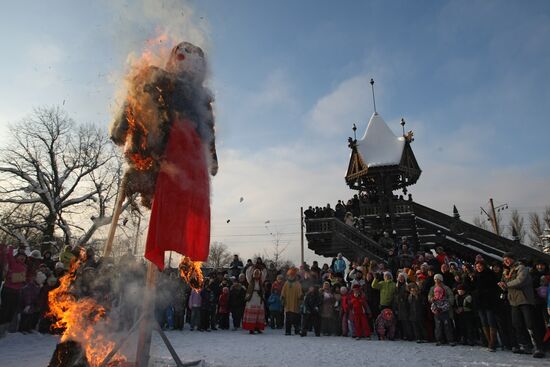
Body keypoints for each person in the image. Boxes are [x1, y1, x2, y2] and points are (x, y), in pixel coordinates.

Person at [498, 252, 545, 358]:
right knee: (517, 324)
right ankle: (526, 344)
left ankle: (538, 346)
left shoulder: (521, 267)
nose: (506, 261)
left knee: (530, 324)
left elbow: (521, 280)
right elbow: (503, 282)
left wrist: (506, 285)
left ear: (513, 259)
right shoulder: (506, 271)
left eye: (508, 259)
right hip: (513, 301)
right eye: (504, 259)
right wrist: (502, 284)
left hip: (524, 299)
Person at [471, 259, 499, 352]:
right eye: (477, 266)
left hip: (489, 301)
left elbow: (494, 288)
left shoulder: (490, 274)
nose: (478, 267)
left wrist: (484, 292)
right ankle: (489, 341)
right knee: (483, 322)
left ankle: (493, 343)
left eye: (480, 265)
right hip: (479, 302)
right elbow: (472, 287)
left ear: (484, 266)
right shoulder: (475, 275)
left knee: (491, 321)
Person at [0, 246, 28, 337]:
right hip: (8, 289)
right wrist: (11, 248)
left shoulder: (25, 267)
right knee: (5, 310)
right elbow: (8, 256)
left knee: (11, 311)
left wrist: (17, 278)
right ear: (17, 257)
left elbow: (23, 279)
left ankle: (4, 330)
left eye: (24, 257)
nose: (22, 258)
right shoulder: (13, 263)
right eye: (20, 256)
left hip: (16, 291)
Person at [242, 267, 267, 334]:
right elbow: (247, 273)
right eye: (255, 274)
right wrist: (250, 268)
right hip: (252, 298)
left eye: (258, 274)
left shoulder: (261, 281)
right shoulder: (250, 280)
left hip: (259, 298)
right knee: (252, 313)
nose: (256, 275)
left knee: (259, 313)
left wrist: (262, 268)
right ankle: (251, 328)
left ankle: (257, 327)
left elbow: (264, 274)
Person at [281, 268, 303, 335]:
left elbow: (300, 293)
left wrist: (300, 298)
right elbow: (283, 292)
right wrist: (282, 298)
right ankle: (288, 331)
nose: (291, 276)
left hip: (295, 304)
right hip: (288, 304)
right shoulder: (286, 283)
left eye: (293, 275)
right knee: (288, 318)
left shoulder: (297, 284)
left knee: (296, 318)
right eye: (290, 275)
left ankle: (297, 329)